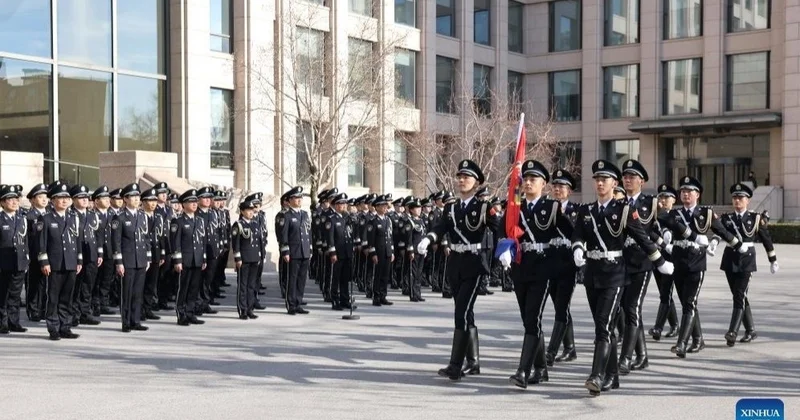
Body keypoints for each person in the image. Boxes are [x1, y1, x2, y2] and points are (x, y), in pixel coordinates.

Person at [571, 160, 673, 396]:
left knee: (604, 325)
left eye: (604, 179)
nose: (600, 183)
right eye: (597, 179)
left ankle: (597, 375)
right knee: (602, 324)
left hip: (616, 273)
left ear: (613, 183)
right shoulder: (586, 211)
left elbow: (642, 237)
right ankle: (613, 376)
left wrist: (660, 261)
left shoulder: (624, 210)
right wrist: (577, 247)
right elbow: (578, 234)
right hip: (593, 274)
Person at [417, 159, 500, 381]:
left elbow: (499, 230)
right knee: (466, 313)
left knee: (461, 313)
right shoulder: (451, 207)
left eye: (467, 177)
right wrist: (429, 238)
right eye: (460, 177)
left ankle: (456, 365)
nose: (462, 180)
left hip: (474, 264)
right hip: (455, 264)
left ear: (476, 182)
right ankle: (473, 362)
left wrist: (503, 253)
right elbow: (441, 227)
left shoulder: (484, 207)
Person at [499, 160, 571, 389]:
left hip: (543, 268)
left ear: (543, 184)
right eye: (526, 179)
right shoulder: (514, 207)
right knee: (528, 320)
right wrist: (503, 251)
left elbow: (571, 232)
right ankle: (541, 369)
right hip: (521, 267)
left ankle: (523, 370)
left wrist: (577, 250)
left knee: (533, 319)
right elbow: (502, 232)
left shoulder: (551, 208)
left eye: (533, 179)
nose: (528, 183)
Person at [662, 176, 744, 358]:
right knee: (687, 302)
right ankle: (698, 340)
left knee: (689, 302)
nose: (685, 194)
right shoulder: (674, 214)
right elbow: (661, 222)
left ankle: (681, 343)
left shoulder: (705, 214)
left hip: (696, 264)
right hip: (678, 262)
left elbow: (722, 230)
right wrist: (666, 232)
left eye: (689, 191)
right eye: (682, 191)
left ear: (697, 194)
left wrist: (738, 245)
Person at [718, 183, 778, 346]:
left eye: (741, 198)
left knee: (739, 295)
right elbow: (719, 232)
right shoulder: (726, 218)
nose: (737, 201)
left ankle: (733, 332)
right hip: (730, 260)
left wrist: (772, 259)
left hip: (746, 261)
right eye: (735, 198)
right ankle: (750, 330)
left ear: (748, 201)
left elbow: (766, 239)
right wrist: (713, 243)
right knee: (739, 296)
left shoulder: (755, 218)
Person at [618, 159, 662, 374]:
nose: (627, 180)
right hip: (621, 261)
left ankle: (625, 358)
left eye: (632, 176)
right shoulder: (617, 202)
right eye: (625, 176)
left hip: (643, 260)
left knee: (632, 307)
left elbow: (660, 227)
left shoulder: (651, 203)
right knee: (626, 309)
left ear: (641, 181)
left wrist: (663, 239)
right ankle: (642, 355)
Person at [36, 182, 83, 340]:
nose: (64, 201)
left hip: (70, 263)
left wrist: (79, 260)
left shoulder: (72, 217)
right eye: (60, 198)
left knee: (67, 297)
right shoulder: (46, 219)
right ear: (53, 200)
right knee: (53, 297)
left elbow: (77, 241)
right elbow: (41, 244)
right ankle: (53, 328)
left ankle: (65, 327)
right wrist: (44, 262)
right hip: (54, 264)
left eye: (67, 198)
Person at [544, 169, 580, 366]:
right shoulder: (547, 209)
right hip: (550, 262)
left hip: (568, 263)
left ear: (570, 191)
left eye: (562, 187)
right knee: (561, 307)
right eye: (555, 186)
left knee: (562, 307)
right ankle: (570, 347)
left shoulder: (577, 210)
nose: (558, 190)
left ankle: (551, 351)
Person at [111, 183, 151, 333]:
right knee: (126, 292)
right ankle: (126, 321)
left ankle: (136, 320)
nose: (136, 199)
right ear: (125, 199)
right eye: (133, 196)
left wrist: (148, 257)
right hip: (127, 260)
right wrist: (119, 262)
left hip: (140, 259)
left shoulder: (142, 215)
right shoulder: (119, 217)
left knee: (138, 292)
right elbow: (116, 241)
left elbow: (146, 237)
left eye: (137, 196)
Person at [170, 189, 208, 326]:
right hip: (185, 260)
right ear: (183, 204)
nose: (194, 204)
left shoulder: (200, 220)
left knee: (194, 288)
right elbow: (176, 242)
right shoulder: (178, 221)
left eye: (195, 201)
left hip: (197, 259)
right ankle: (181, 314)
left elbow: (202, 240)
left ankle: (191, 312)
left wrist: (203, 258)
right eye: (190, 202)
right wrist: (177, 261)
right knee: (183, 288)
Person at [69, 184, 103, 327]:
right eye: (80, 197)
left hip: (91, 254)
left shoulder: (93, 214)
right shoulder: (71, 215)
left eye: (86, 197)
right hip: (77, 254)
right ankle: (74, 314)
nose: (84, 200)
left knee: (88, 285)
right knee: (75, 286)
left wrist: (100, 252)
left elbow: (98, 235)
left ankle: (85, 312)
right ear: (74, 199)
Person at [649, 184, 680, 340]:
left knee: (666, 293)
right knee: (664, 292)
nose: (662, 200)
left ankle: (658, 327)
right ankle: (674, 325)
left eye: (666, 197)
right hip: (658, 257)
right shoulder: (655, 216)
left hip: (672, 258)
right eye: (660, 197)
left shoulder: (677, 216)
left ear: (673, 200)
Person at [0, 185, 29, 334]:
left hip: (19, 261)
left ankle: (14, 322)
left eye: (15, 199)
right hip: (3, 263)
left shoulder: (22, 219)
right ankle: (2, 323)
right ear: (2, 203)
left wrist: (27, 259)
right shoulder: (1, 219)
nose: (13, 202)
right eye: (9, 199)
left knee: (15, 294)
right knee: (2, 293)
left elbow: (26, 241)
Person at [280, 186, 311, 315]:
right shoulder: (286, 216)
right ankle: (291, 304)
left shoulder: (304, 214)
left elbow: (308, 232)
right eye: (296, 198)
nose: (299, 200)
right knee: (292, 279)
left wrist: (310, 248)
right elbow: (283, 236)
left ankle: (298, 302)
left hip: (304, 251)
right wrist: (285, 252)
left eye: (300, 198)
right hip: (293, 252)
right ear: (290, 200)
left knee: (301, 279)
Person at [231, 198, 265, 319]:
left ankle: (250, 308)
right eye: (248, 210)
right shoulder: (239, 225)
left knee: (252, 285)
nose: (251, 212)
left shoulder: (255, 224)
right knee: (243, 285)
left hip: (255, 257)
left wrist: (261, 255)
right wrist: (237, 259)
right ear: (242, 211)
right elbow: (236, 244)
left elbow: (260, 242)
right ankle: (243, 310)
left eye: (252, 210)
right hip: (244, 258)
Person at [326, 193, 357, 310]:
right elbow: (330, 238)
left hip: (347, 252)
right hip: (338, 253)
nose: (343, 206)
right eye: (340, 204)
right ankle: (334, 300)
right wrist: (332, 252)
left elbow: (351, 234)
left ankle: (345, 300)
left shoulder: (347, 218)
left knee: (345, 278)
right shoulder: (332, 219)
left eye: (344, 204)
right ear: (336, 205)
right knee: (335, 278)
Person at [140, 188, 167, 321]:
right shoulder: (140, 216)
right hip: (142, 253)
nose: (153, 203)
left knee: (152, 283)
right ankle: (139, 310)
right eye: (150, 200)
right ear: (143, 202)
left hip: (155, 253)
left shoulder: (158, 217)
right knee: (141, 283)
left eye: (155, 200)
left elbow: (161, 236)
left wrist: (162, 253)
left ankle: (148, 308)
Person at [25, 183, 49, 322]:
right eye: (40, 197)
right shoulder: (29, 216)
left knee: (44, 284)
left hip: (46, 256)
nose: (44, 199)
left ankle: (43, 309)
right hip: (33, 256)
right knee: (33, 284)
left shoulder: (50, 215)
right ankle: (33, 310)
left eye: (45, 197)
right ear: (33, 200)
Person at [366, 194, 395, 307]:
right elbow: (371, 240)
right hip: (378, 252)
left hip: (387, 251)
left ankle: (383, 296)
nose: (385, 208)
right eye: (382, 206)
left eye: (385, 206)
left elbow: (390, 237)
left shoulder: (388, 220)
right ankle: (376, 297)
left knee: (385, 275)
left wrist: (392, 251)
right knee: (377, 275)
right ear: (377, 207)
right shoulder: (373, 221)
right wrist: (373, 253)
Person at [404, 197, 428, 303]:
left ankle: (418, 293)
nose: (419, 210)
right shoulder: (410, 222)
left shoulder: (421, 221)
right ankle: (412, 293)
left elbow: (423, 236)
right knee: (413, 273)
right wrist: (410, 251)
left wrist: (425, 249)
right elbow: (409, 238)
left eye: (420, 208)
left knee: (419, 273)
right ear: (411, 210)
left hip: (421, 250)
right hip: (414, 251)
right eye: (416, 208)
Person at [274, 193, 290, 299]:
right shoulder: (281, 215)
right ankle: (284, 289)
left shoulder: (292, 214)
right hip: (284, 245)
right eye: (287, 201)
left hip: (294, 246)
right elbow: (280, 232)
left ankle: (292, 292)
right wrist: (282, 245)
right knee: (284, 268)